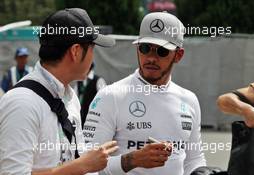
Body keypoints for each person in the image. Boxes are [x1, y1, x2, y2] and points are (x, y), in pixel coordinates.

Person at [83, 11, 206, 175]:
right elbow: (85, 165)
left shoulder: (189, 100)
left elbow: (194, 160)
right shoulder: (111, 96)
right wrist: (132, 160)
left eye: (162, 51)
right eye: (145, 48)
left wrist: (203, 171)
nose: (151, 58)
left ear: (178, 55)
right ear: (137, 48)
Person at [0, 8, 118, 175]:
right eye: (92, 47)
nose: (93, 56)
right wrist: (81, 166)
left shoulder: (69, 97)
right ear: (76, 51)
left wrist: (129, 160)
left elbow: (79, 159)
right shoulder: (22, 103)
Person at [76, 62, 107, 128]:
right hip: (81, 114)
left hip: (94, 115)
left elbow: (105, 98)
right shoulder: (79, 80)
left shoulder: (98, 80)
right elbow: (75, 95)